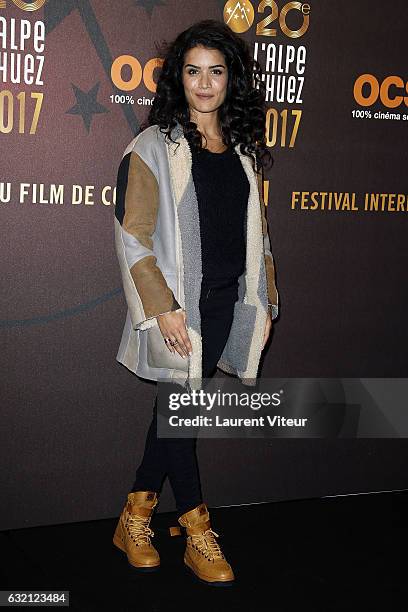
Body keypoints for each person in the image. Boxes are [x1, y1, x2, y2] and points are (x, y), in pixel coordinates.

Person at [112, 19, 279, 586]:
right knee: (181, 417)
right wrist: (164, 308)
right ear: (177, 79)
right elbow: (132, 237)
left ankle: (135, 514)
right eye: (193, 71)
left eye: (216, 71)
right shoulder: (153, 147)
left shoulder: (244, 151)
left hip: (227, 303)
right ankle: (197, 528)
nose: (204, 84)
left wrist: (264, 303)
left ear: (230, 79)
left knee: (176, 416)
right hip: (179, 309)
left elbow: (259, 239)